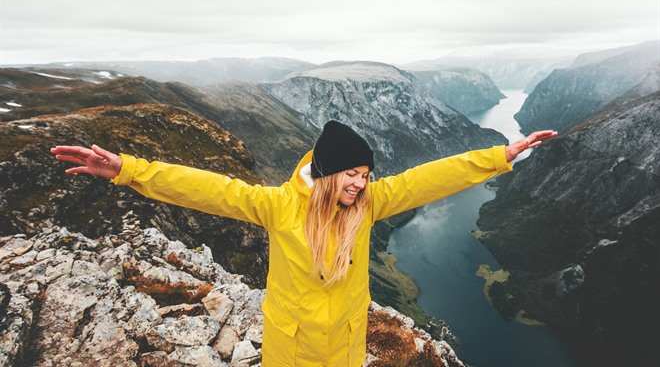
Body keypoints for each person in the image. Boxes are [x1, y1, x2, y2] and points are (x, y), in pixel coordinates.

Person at [51, 120, 557, 366]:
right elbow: (206, 189)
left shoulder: (369, 204)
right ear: (326, 173)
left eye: (365, 174)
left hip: (343, 341)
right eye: (351, 174)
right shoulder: (278, 206)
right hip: (290, 346)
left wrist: (499, 156)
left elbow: (429, 179)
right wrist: (129, 170)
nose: (360, 183)